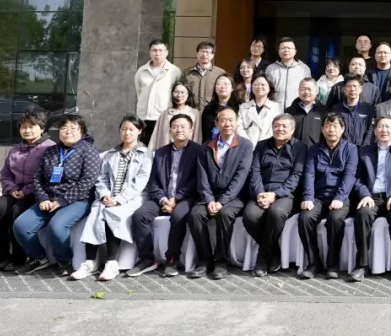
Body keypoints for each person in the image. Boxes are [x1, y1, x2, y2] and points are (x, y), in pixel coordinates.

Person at [12, 114, 101, 277]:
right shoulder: (51, 151)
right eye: (64, 128)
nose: (68, 131)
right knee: (21, 225)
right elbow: (37, 178)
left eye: (73, 128)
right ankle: (39, 257)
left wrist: (62, 201)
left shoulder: (89, 151)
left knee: (56, 226)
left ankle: (64, 260)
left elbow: (88, 181)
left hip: (77, 200)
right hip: (49, 199)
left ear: (82, 131)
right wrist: (43, 198)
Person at [72, 116, 153, 282]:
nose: (127, 133)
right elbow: (101, 178)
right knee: (96, 213)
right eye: (124, 129)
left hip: (133, 198)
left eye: (131, 129)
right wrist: (105, 194)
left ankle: (111, 263)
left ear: (139, 131)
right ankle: (90, 262)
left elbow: (141, 182)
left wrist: (119, 200)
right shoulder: (111, 154)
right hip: (109, 197)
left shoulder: (145, 154)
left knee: (112, 214)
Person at [126, 113, 202, 278]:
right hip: (162, 198)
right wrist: (162, 199)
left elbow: (197, 181)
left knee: (178, 215)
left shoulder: (199, 151)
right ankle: (147, 258)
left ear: (191, 130)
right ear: (169, 131)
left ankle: (172, 259)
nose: (179, 130)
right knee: (140, 215)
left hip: (185, 198)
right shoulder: (160, 152)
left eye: (183, 126)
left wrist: (177, 198)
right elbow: (153, 181)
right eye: (175, 126)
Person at [0, 107, 55, 272]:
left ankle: (20, 257)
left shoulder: (50, 148)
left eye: (31, 126)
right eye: (23, 127)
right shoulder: (16, 149)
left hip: (37, 194)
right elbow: (5, 173)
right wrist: (12, 189)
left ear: (42, 129)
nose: (27, 130)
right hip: (15, 191)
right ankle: (1, 256)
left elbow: (48, 177)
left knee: (17, 211)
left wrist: (27, 190)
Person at [188, 107, 253, 279]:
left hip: (235, 197)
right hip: (210, 196)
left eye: (231, 120)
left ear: (236, 123)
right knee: (195, 215)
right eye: (223, 120)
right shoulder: (205, 147)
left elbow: (240, 177)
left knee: (224, 214)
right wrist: (209, 199)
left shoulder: (245, 145)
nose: (227, 124)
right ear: (216, 123)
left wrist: (222, 201)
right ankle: (204, 259)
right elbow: (202, 178)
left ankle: (221, 260)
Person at [351, 116, 391, 282]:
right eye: (380, 127)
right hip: (372, 196)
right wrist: (365, 194)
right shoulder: (364, 151)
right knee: (362, 214)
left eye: (388, 127)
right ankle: (362, 265)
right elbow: (357, 178)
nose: (384, 130)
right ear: (375, 130)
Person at [242, 114, 302, 277]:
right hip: (261, 192)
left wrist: (275, 194)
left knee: (276, 213)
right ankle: (273, 251)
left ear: (292, 130)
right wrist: (260, 193)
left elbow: (296, 175)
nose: (280, 129)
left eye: (284, 126)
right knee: (250, 217)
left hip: (284, 194)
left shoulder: (300, 147)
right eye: (277, 125)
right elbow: (254, 171)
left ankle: (262, 257)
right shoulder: (262, 145)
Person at [298, 112, 357, 279]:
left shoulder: (351, 149)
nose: (331, 130)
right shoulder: (314, 149)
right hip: (318, 196)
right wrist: (308, 197)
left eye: (335, 126)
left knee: (335, 219)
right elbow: (309, 174)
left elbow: (349, 175)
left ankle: (333, 264)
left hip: (340, 196)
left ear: (342, 129)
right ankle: (313, 262)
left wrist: (339, 197)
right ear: (322, 129)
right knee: (305, 218)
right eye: (328, 126)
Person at [135, 39, 182, 144]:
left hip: (164, 117)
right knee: (144, 147)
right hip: (144, 117)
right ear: (150, 53)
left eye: (161, 50)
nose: (157, 53)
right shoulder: (141, 71)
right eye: (154, 50)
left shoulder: (174, 71)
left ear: (166, 53)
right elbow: (139, 93)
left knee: (162, 148)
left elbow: (178, 95)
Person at [266, 37, 312, 111]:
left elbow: (308, 89)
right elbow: (267, 90)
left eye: (289, 48)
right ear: (278, 51)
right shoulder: (271, 69)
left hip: (297, 109)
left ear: (295, 51)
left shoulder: (304, 69)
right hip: (274, 109)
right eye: (283, 48)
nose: (286, 50)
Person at [238, 74, 283, 145]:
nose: (259, 87)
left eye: (263, 84)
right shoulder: (243, 107)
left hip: (268, 146)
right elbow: (239, 128)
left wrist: (262, 145)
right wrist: (248, 144)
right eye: (256, 84)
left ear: (269, 88)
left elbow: (276, 128)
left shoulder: (276, 107)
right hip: (247, 146)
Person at [333, 75, 376, 147]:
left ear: (360, 89)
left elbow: (371, 130)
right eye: (349, 86)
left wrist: (365, 147)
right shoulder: (336, 109)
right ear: (344, 89)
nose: (352, 89)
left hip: (364, 149)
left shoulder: (368, 109)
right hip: (342, 148)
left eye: (355, 86)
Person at [183, 41, 226, 111]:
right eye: (202, 51)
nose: (204, 54)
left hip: (212, 112)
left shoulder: (220, 73)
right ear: (197, 54)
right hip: (191, 111)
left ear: (212, 55)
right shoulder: (187, 73)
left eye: (207, 52)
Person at [286, 78, 327, 148]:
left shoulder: (324, 111)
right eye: (303, 89)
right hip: (294, 150)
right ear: (298, 91)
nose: (306, 92)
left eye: (309, 89)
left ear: (316, 91)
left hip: (316, 151)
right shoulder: (289, 111)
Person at [200, 74, 240, 143]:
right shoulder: (208, 110)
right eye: (219, 84)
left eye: (226, 84)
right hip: (212, 146)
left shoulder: (239, 107)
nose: (222, 86)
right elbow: (205, 134)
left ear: (232, 88)